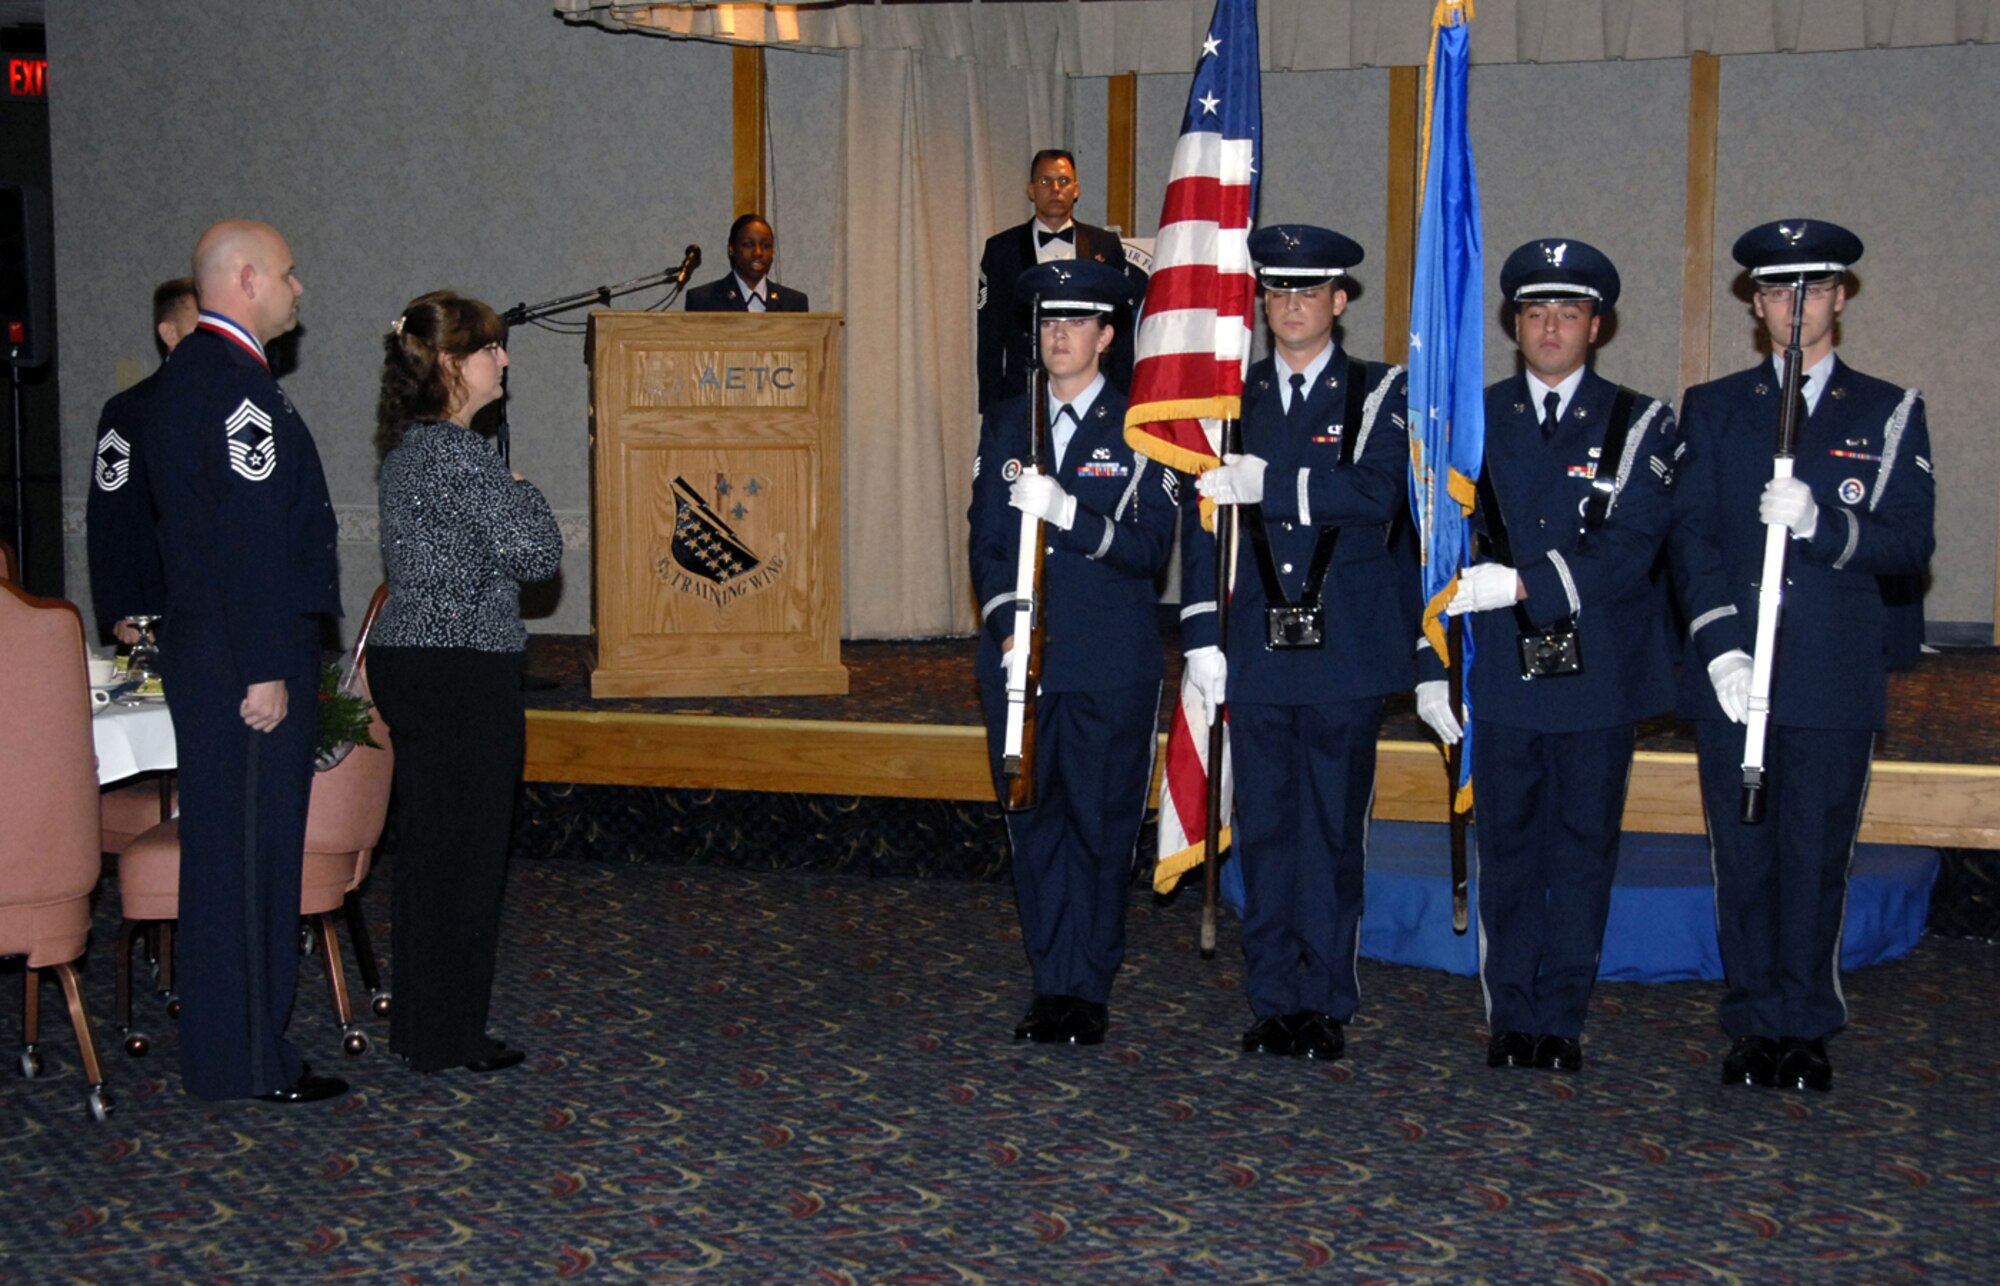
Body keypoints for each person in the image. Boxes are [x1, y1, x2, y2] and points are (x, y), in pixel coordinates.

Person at [1670, 220, 1934, 1093]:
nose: (1793, 307)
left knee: (1815, 854)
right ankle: (1751, 1019)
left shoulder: (1888, 410)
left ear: (1841, 299)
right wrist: (1720, 652)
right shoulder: (1712, 408)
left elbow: (1907, 542)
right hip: (1737, 672)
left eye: (1811, 290)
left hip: (1829, 673)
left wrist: (1826, 525)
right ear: (1754, 304)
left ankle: (1806, 1023)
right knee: (1743, 856)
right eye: (1775, 291)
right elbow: (1693, 540)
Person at [1414, 239, 1680, 1075]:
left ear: (1597, 326)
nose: (1551, 328)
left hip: (1595, 675)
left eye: (1568, 313)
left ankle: (1561, 1015)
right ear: (1514, 324)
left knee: (1582, 848)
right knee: (1511, 846)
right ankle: (1511, 1011)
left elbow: (1634, 546)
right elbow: (1434, 544)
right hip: (1497, 671)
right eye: (1535, 313)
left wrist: (1528, 585)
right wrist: (1432, 660)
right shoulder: (1471, 418)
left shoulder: (1641, 421)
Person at [1186, 225, 1413, 1062]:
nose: (1289, 306)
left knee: (1329, 832)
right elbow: (1202, 523)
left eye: (1307, 292)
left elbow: (1380, 491)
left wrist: (1272, 485)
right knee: (1267, 828)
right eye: (1276, 293)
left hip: (1344, 647)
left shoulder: (1379, 391)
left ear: (1339, 302)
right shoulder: (1229, 398)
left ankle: (1325, 1000)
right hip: (1254, 644)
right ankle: (1274, 994)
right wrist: (1203, 638)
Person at [145, 220, 344, 1104]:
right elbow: (248, 537)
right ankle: (252, 1062)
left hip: (212, 650)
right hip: (245, 661)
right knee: (253, 863)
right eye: (292, 276)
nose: (301, 291)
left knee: (224, 859)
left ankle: (228, 1056)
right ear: (249, 279)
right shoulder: (237, 388)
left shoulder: (190, 376)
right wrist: (268, 665)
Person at [967, 259, 1177, 1045]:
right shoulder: (1006, 424)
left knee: (1098, 823)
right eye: (1049, 324)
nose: (1060, 335)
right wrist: (1005, 625)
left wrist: (1070, 516)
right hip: (1022, 663)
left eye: (1077, 323)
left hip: (1107, 661)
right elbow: (985, 541)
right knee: (1035, 822)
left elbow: (1149, 546)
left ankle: (1088, 985)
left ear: (1106, 335)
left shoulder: (1141, 429)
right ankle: (1050, 980)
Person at [369, 291, 563, 1075]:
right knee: (468, 859)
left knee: (429, 855)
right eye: (490, 350)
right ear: (451, 364)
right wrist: (521, 489)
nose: (504, 360)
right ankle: (449, 1035)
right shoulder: (458, 456)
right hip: (460, 668)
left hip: (414, 658)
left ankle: (422, 1025)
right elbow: (537, 555)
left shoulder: (408, 451)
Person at [976, 150, 1137, 411]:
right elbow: (990, 336)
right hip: (1023, 393)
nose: (1055, 189)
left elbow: (1120, 328)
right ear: (1031, 191)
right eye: (1044, 181)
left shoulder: (1105, 246)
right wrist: (993, 407)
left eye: (1063, 181)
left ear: (1076, 189)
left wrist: (1123, 395)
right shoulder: (1001, 249)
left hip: (1093, 393)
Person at [87, 277, 198, 644]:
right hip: (157, 600)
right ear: (170, 332)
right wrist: (124, 609)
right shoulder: (130, 411)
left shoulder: (235, 405)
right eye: (200, 328)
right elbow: (111, 514)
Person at [684, 214, 809, 312]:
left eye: (766, 246)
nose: (758, 252)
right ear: (731, 249)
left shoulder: (793, 303)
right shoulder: (703, 300)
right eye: (749, 244)